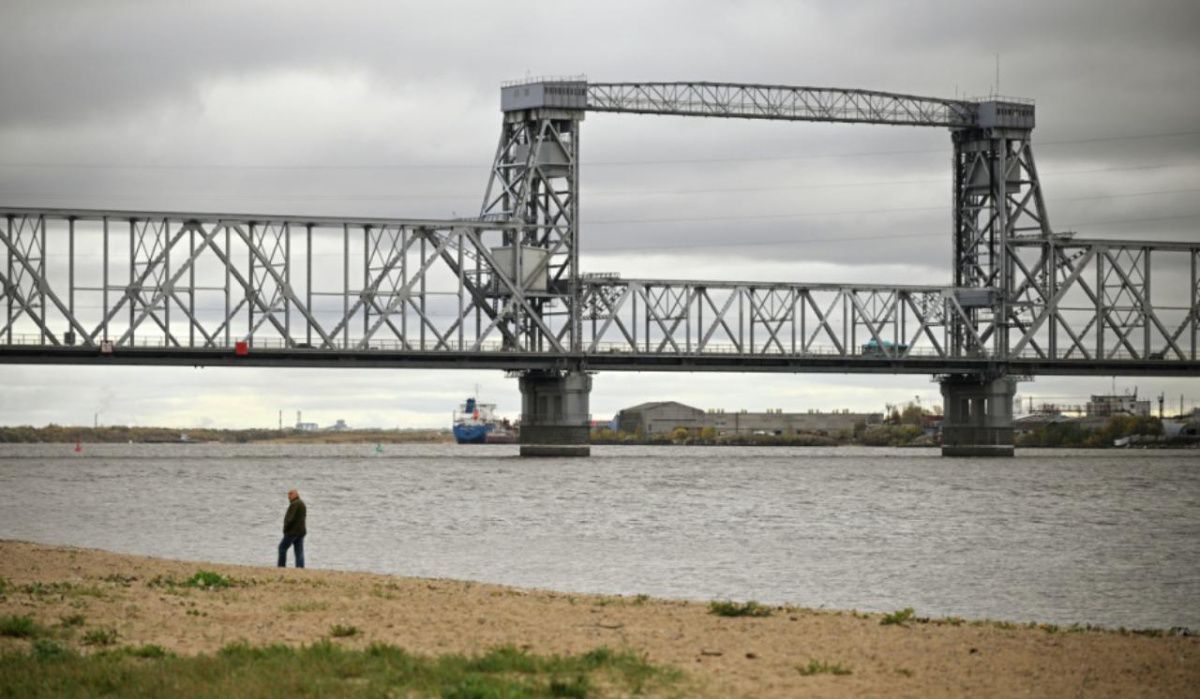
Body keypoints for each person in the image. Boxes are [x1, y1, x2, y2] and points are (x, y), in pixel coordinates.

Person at [278, 489, 306, 568]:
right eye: (288, 494)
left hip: (292, 532)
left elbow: (290, 519)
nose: (289, 496)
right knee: (299, 551)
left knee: (282, 548)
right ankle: (300, 568)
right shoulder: (302, 504)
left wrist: (285, 529)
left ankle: (281, 567)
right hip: (301, 532)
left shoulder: (294, 504)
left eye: (290, 494)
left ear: (295, 494)